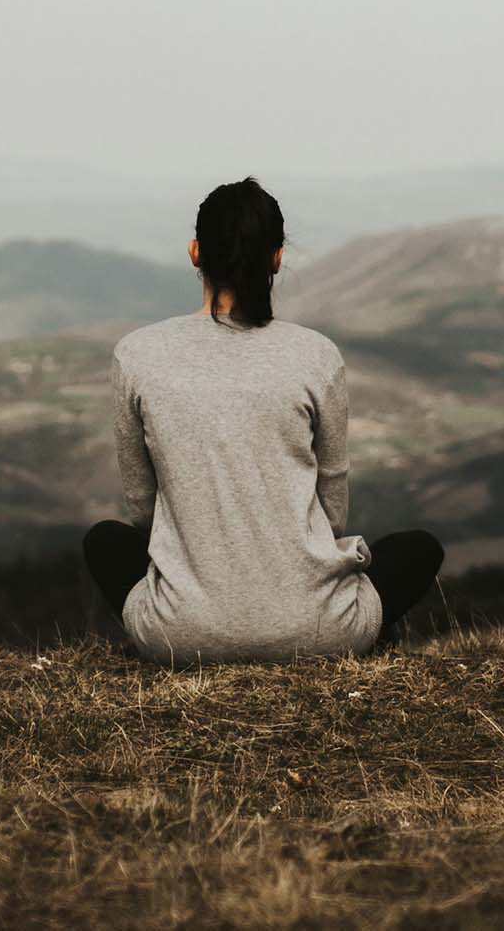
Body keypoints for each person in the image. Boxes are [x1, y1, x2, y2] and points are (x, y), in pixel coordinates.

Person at [83, 177, 444, 664]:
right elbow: (332, 508)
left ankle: (198, 621)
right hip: (322, 631)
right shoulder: (316, 355)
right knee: (418, 549)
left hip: (180, 636)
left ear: (195, 252)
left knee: (104, 542)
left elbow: (141, 507)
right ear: (277, 258)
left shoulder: (137, 354)